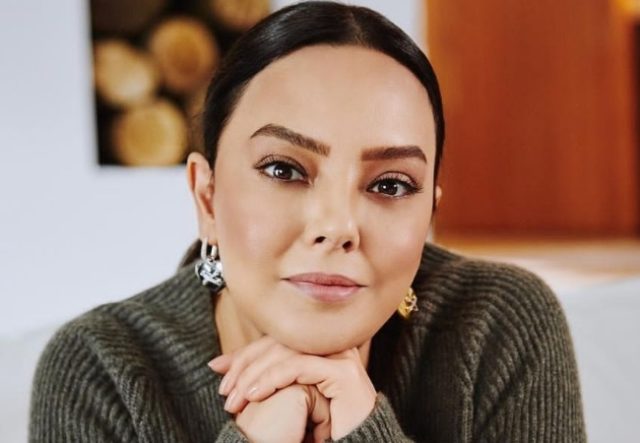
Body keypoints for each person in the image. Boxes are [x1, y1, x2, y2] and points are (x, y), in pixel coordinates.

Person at [29, 2, 586, 441]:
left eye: (391, 185)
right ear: (207, 197)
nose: (339, 226)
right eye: (284, 170)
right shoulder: (100, 368)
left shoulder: (500, 325)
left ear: (428, 216)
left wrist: (364, 428)